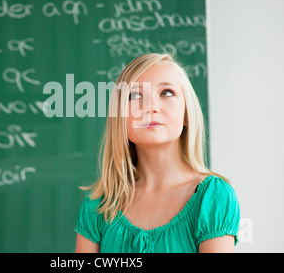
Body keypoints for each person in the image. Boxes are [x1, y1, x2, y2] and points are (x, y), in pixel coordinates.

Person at [74, 53, 240, 253]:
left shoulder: (213, 197)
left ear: (186, 114)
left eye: (167, 92)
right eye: (134, 95)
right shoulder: (98, 206)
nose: (151, 107)